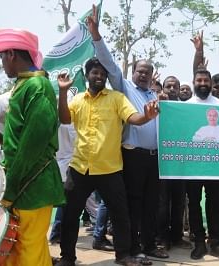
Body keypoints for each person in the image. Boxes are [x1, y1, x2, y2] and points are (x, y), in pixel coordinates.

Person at [56, 57, 158, 266]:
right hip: (80, 168)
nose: (99, 76)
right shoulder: (78, 100)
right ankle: (67, 257)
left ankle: (123, 256)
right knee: (70, 215)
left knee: (121, 216)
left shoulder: (116, 98)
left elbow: (133, 118)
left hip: (110, 169)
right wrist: (64, 92)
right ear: (87, 76)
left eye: (103, 74)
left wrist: (147, 117)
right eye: (95, 73)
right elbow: (65, 119)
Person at [88, 6, 169, 265]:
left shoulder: (156, 96)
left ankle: (149, 245)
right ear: (133, 72)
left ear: (152, 75)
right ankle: (133, 248)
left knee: (151, 205)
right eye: (140, 71)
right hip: (132, 157)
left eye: (148, 71)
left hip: (155, 158)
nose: (143, 74)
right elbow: (110, 64)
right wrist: (96, 35)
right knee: (132, 204)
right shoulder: (123, 88)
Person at [0, 28, 66, 266]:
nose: (2, 63)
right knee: (16, 251)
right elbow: (16, 138)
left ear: (12, 54)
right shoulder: (23, 85)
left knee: (29, 252)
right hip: (21, 182)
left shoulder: (38, 86)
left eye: (1, 56)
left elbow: (31, 145)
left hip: (32, 184)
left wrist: (11, 188)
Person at [186, 68, 219, 262]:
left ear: (211, 84)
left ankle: (216, 242)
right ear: (194, 82)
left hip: (217, 167)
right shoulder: (185, 106)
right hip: (194, 167)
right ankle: (198, 241)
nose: (203, 84)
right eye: (199, 80)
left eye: (206, 80)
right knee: (194, 203)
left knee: (218, 203)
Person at [156, 76, 192, 251]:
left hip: (182, 164)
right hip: (162, 164)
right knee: (162, 203)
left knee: (178, 202)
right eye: (168, 86)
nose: (171, 89)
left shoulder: (187, 109)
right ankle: (162, 238)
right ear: (163, 88)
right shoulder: (155, 105)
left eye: (175, 86)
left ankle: (177, 237)